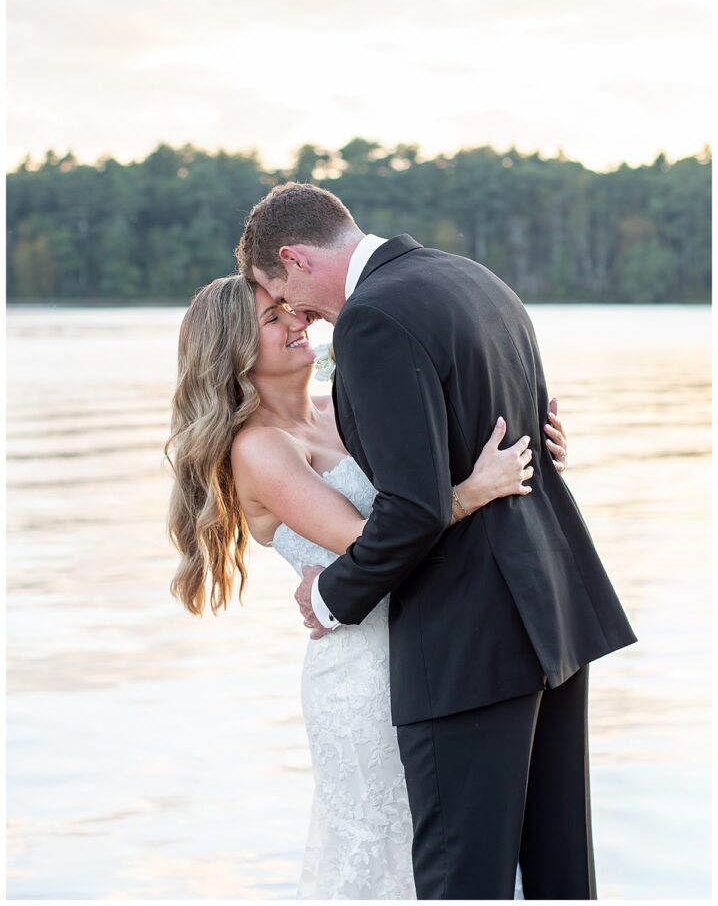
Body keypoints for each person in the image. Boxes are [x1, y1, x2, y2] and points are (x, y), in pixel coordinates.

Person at [237, 181, 638, 900]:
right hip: (550, 616)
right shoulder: (475, 279)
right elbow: (491, 437)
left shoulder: (372, 320)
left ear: (294, 260)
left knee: (462, 883)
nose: (297, 317)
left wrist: (330, 598)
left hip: (466, 641)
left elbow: (413, 508)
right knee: (559, 876)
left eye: (281, 295)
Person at [165, 272, 569, 899]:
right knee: (389, 851)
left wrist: (530, 452)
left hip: (435, 643)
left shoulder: (340, 404)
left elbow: (427, 473)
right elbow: (370, 539)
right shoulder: (259, 448)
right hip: (360, 675)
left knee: (456, 848)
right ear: (236, 352)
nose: (297, 320)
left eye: (290, 307)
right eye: (273, 318)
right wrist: (475, 491)